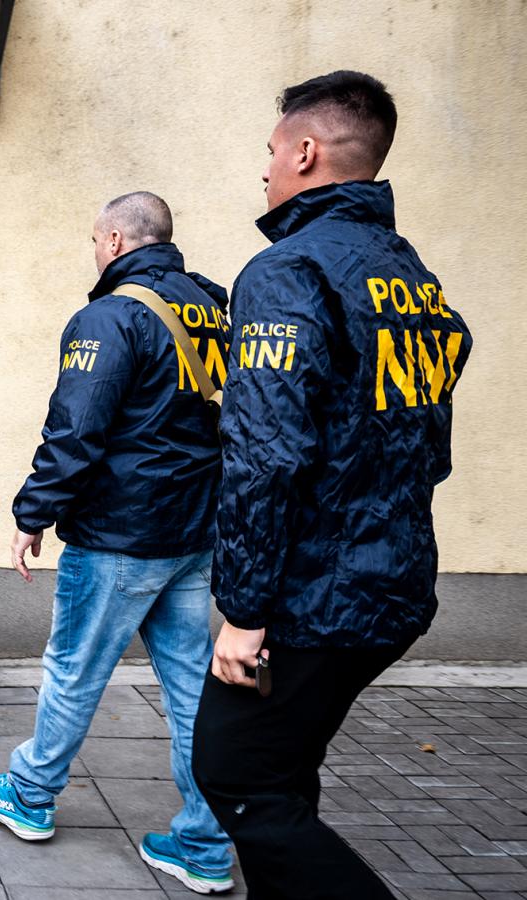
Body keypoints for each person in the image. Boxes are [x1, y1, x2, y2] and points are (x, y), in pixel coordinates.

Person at [193, 71, 472, 898]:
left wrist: (243, 615)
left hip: (315, 594)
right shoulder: (406, 271)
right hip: (391, 578)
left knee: (237, 780)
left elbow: (264, 457)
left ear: (306, 151)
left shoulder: (286, 271)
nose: (267, 168)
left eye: (273, 151)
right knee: (284, 776)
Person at [0, 193, 235, 893]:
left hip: (120, 531)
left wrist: (33, 514)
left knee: (75, 669)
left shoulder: (111, 316)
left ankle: (28, 795)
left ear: (116, 238)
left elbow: (76, 428)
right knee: (191, 688)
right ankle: (205, 843)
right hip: (192, 531)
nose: (94, 250)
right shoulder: (212, 310)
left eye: (94, 239)